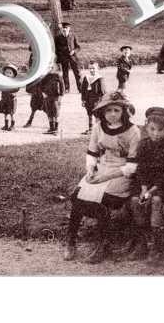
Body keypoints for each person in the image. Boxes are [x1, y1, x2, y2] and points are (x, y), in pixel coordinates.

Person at [63, 91, 141, 263]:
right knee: (77, 196)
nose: (112, 114)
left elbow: (132, 166)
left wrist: (105, 178)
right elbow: (92, 153)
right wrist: (91, 170)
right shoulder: (98, 127)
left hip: (121, 172)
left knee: (103, 200)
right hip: (101, 168)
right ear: (102, 112)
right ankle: (71, 240)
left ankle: (103, 244)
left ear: (124, 112)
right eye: (108, 111)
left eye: (116, 110)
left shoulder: (133, 131)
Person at [126, 107, 164, 261]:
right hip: (145, 184)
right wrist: (143, 188)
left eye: (160, 130)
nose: (156, 133)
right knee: (135, 201)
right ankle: (142, 241)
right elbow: (140, 168)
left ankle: (155, 243)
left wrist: (151, 190)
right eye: (152, 129)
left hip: (163, 185)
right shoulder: (144, 144)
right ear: (146, 127)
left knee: (155, 201)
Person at [54, 22, 82, 93]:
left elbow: (78, 47)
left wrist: (74, 51)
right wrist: (60, 54)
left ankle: (80, 88)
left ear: (69, 29)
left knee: (77, 73)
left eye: (66, 28)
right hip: (64, 58)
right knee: (65, 73)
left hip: (73, 58)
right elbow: (56, 49)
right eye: (63, 28)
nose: (64, 30)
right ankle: (67, 88)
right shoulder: (58, 37)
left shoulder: (73, 36)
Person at [79, 61, 105, 134]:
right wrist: (83, 100)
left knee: (97, 115)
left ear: (97, 69)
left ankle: (98, 129)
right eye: (90, 68)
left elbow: (103, 92)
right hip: (88, 99)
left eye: (93, 68)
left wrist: (102, 101)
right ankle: (90, 128)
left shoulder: (99, 78)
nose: (91, 70)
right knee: (89, 113)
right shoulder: (86, 78)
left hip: (96, 99)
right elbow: (83, 90)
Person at [40, 65, 65, 135]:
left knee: (55, 113)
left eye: (52, 68)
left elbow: (62, 87)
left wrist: (60, 96)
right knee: (49, 112)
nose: (50, 69)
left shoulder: (58, 76)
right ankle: (51, 128)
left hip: (56, 97)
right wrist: (43, 93)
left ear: (55, 68)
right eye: (48, 68)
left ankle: (56, 129)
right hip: (48, 97)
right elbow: (41, 85)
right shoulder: (46, 77)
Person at [0, 64, 19, 131]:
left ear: (13, 74)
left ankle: (12, 125)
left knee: (11, 113)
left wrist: (10, 91)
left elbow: (17, 89)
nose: (8, 74)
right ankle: (6, 125)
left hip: (11, 100)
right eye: (6, 72)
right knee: (5, 112)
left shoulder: (14, 82)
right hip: (4, 99)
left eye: (10, 73)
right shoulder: (3, 82)